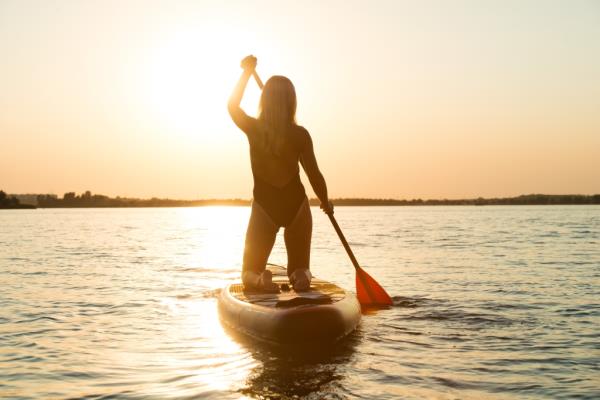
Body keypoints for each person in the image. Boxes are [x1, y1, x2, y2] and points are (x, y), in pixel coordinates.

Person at [228, 55, 333, 293]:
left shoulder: (254, 129)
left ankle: (258, 279)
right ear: (291, 102)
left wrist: (245, 73)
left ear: (265, 100)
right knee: (299, 266)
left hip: (266, 204)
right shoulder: (300, 134)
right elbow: (314, 175)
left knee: (249, 272)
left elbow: (232, 106)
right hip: (296, 204)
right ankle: (301, 276)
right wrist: (326, 202)